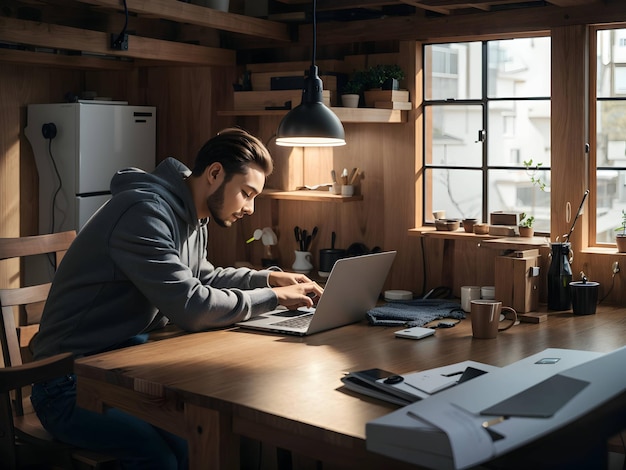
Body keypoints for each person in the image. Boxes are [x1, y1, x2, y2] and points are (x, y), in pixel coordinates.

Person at [30, 127, 323, 469]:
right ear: (215, 174)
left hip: (124, 368)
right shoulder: (143, 212)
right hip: (67, 385)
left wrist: (268, 276)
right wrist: (273, 297)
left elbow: (201, 277)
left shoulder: (192, 213)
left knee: (199, 440)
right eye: (246, 193)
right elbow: (192, 306)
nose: (250, 209)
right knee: (167, 457)